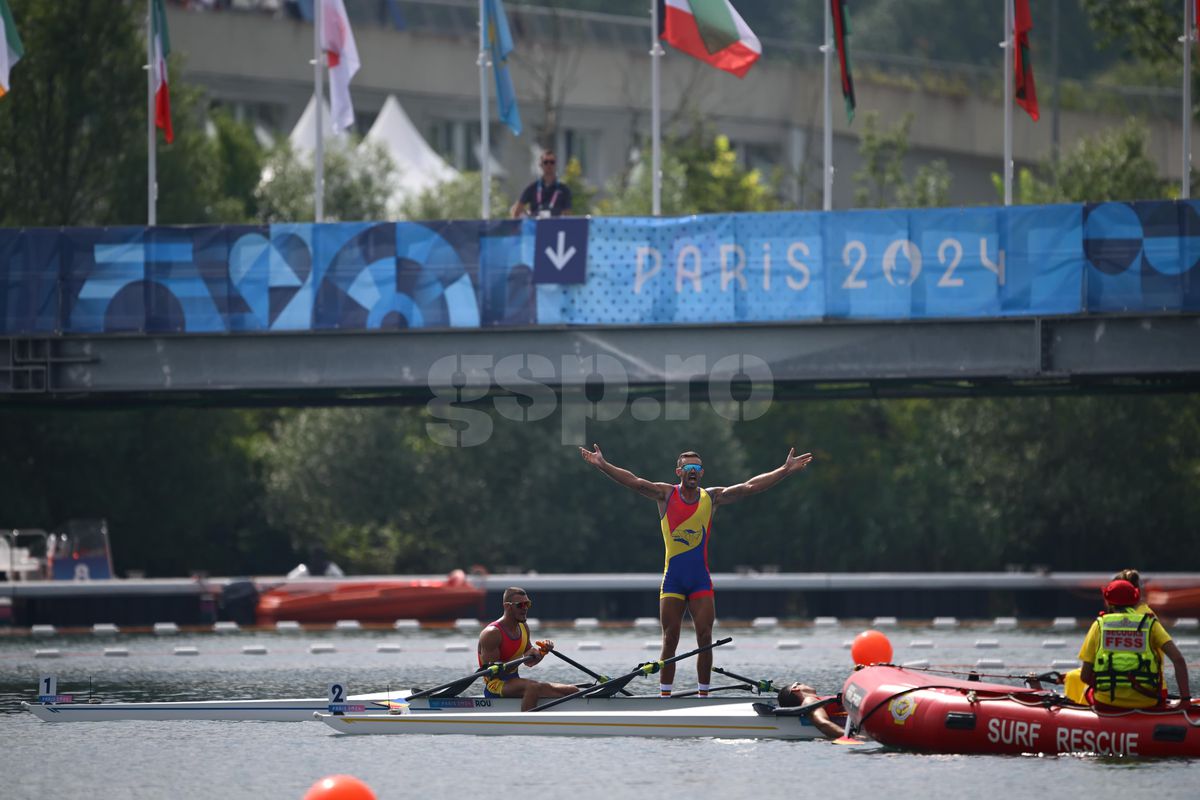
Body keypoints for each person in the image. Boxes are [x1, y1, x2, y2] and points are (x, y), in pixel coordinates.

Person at [579, 445, 813, 698]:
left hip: (700, 580)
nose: (693, 471)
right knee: (670, 639)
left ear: (701, 473)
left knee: (705, 636)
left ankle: (704, 695)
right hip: (673, 581)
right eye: (689, 467)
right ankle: (665, 696)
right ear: (679, 471)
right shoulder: (665, 494)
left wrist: (785, 470)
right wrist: (603, 465)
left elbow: (750, 487)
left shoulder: (711, 497)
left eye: (697, 468)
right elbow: (634, 482)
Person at [1077, 579, 1190, 710]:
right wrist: (1185, 700)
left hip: (1107, 701)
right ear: (1136, 599)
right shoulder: (1150, 623)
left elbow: (1085, 676)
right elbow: (1178, 660)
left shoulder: (1099, 625)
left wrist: (1107, 687)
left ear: (1108, 601)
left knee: (1086, 693)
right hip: (1146, 701)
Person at [477, 586, 578, 711]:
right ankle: (527, 723)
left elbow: (529, 662)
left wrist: (542, 652)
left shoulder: (523, 627)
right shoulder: (492, 633)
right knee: (533, 687)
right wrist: (523, 657)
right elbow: (494, 673)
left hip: (515, 681)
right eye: (520, 605)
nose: (525, 608)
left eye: (527, 604)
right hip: (496, 685)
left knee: (572, 690)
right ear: (507, 606)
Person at [510, 150, 572, 219]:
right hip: (536, 227)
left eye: (552, 162)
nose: (549, 165)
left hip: (556, 227)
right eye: (546, 162)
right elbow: (517, 210)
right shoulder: (532, 188)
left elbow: (567, 215)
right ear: (540, 164)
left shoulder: (564, 189)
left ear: (555, 164)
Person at [776, 682, 843, 739]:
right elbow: (823, 724)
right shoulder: (809, 701)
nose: (804, 684)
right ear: (795, 689)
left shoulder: (817, 700)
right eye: (799, 683)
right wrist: (851, 736)